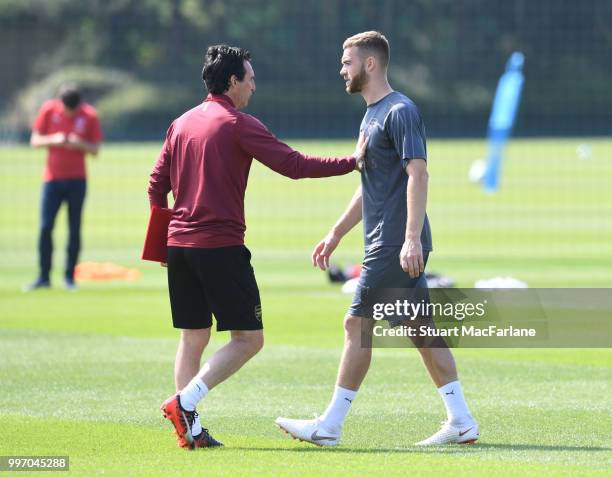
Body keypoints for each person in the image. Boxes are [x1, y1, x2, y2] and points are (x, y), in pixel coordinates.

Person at [148, 45, 367, 450]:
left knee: (192, 338)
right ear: (232, 81)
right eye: (249, 77)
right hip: (220, 247)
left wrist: (164, 241)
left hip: (179, 247)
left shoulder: (180, 123)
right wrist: (351, 162)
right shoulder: (237, 123)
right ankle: (184, 403)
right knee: (250, 340)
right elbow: (294, 165)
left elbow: (156, 186)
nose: (254, 85)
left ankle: (190, 430)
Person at [275, 31, 479, 447]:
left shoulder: (400, 111)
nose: (341, 69)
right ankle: (461, 421)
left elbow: (417, 174)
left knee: (356, 323)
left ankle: (329, 425)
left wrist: (410, 239)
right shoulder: (371, 115)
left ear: (370, 64)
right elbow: (369, 187)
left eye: (346, 62)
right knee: (421, 328)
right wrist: (335, 233)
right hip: (386, 240)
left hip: (392, 243)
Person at [27, 84, 103, 291]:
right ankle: (43, 277)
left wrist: (78, 143)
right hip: (51, 179)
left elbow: (95, 149)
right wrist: (56, 139)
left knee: (74, 228)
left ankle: (70, 278)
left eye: (74, 110)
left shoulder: (89, 115)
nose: (71, 113)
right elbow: (34, 140)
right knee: (45, 227)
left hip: (77, 180)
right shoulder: (48, 110)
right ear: (60, 103)